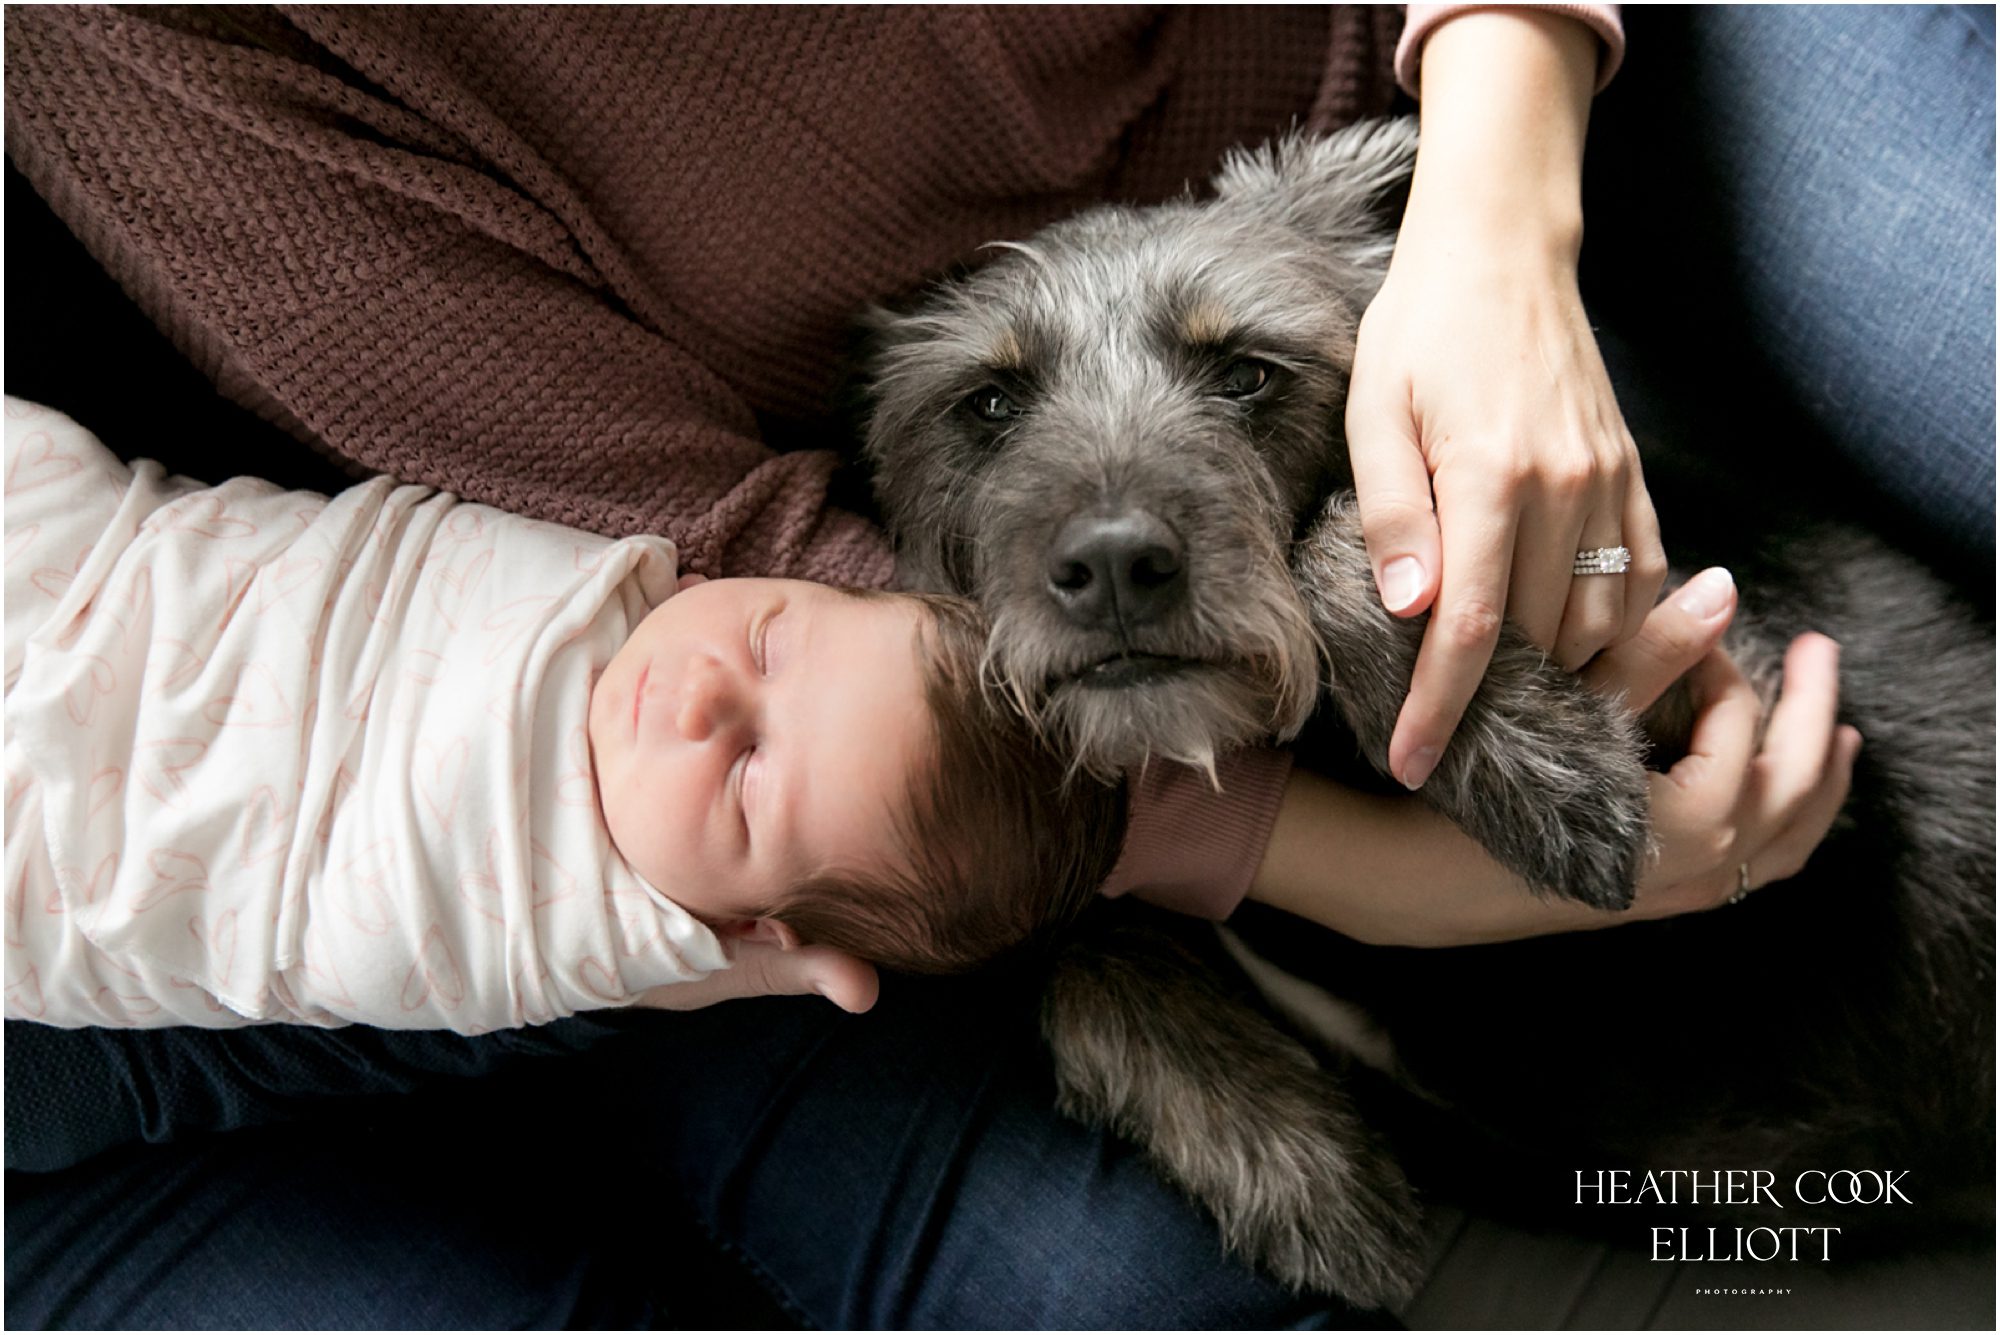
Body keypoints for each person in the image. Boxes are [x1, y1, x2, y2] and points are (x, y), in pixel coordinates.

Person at [4, 4, 1977, 1326]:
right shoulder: (139, 53)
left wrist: (1493, 213)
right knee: (1121, 1283)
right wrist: (1405, 879)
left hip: (1466, 104)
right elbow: (723, 588)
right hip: (951, 596)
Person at [3, 400, 1124, 1031]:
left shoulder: (610, 924)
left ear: (750, 920)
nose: (700, 694)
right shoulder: (642, 584)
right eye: (770, 641)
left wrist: (786, 971)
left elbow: (710, 965)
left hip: (88, 851)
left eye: (744, 776)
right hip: (127, 568)